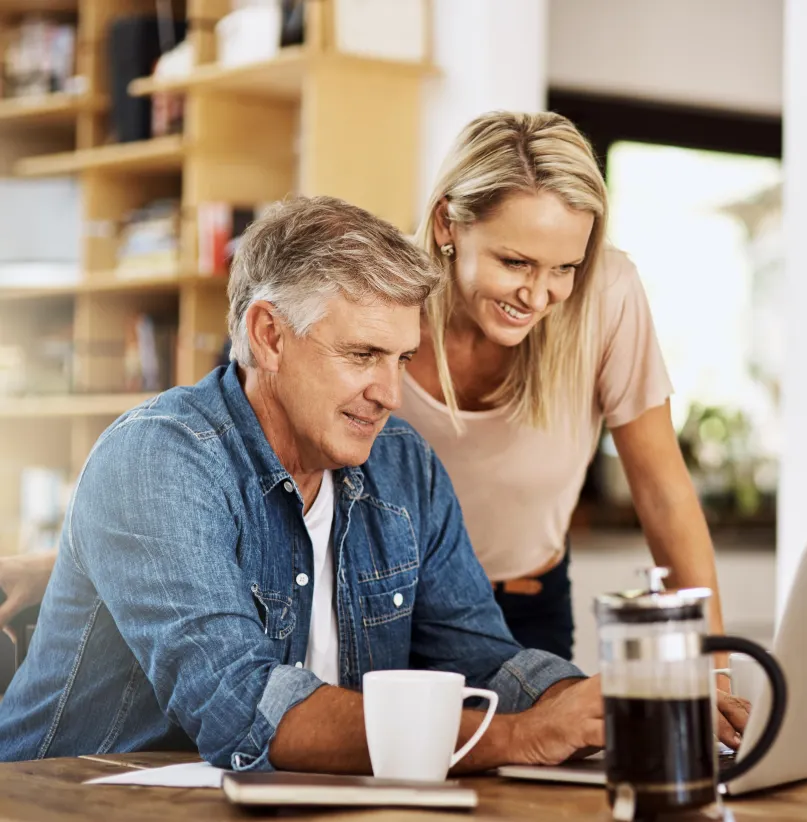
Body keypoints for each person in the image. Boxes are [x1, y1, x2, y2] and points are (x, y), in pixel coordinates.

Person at [0, 196, 753, 771]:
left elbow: (487, 661)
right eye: (363, 355)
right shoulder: (160, 462)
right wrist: (520, 737)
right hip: (67, 804)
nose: (391, 394)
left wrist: (602, 706)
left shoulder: (402, 465)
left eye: (401, 359)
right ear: (269, 335)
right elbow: (246, 712)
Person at [403, 111, 730, 662]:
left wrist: (714, 669)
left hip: (527, 611)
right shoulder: (382, 302)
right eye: (515, 262)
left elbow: (663, 493)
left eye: (563, 267)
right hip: (387, 610)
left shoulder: (608, 295)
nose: (537, 295)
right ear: (447, 225)